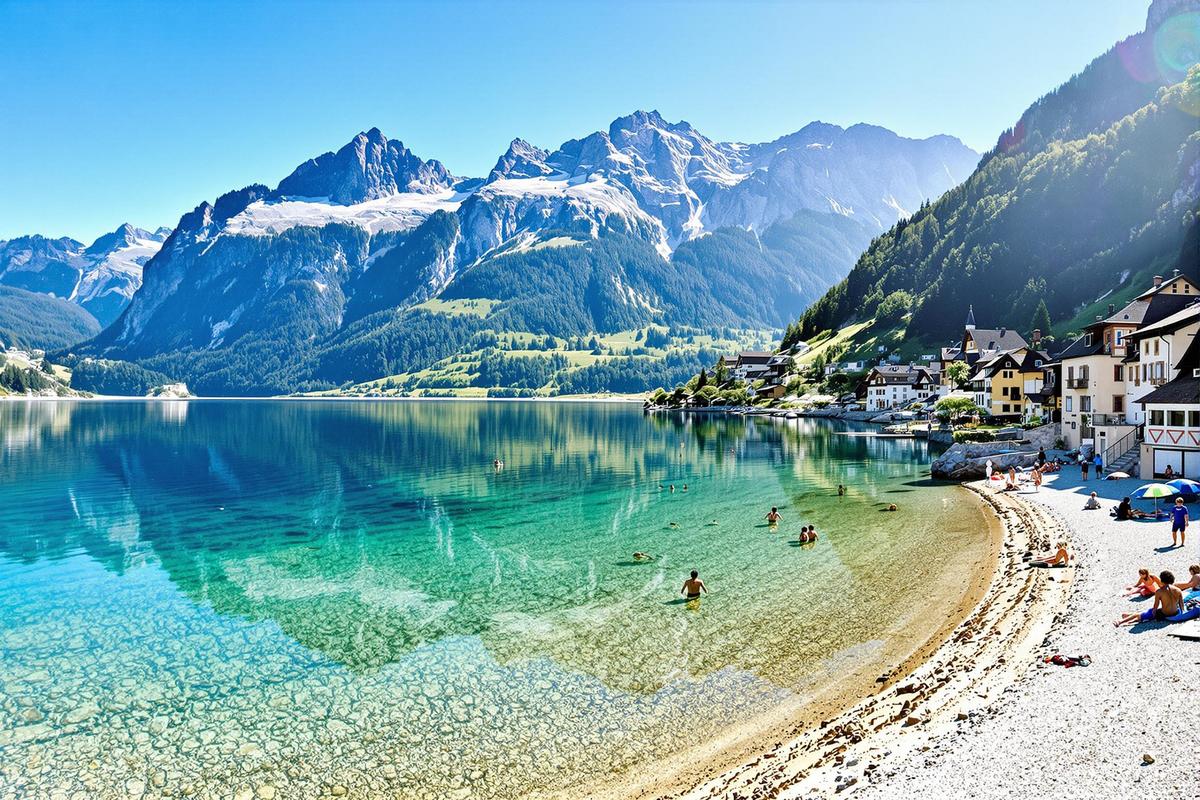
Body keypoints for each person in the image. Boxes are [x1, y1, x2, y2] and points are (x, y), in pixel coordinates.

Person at [1115, 571, 1184, 626]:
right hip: (1175, 612)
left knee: (1144, 614)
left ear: (1162, 580)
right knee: (1146, 613)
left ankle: (1120, 622)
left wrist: (1152, 613)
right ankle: (1129, 615)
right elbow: (1181, 604)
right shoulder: (1178, 590)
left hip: (1164, 613)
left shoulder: (1159, 591)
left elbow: (1156, 605)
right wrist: (1182, 613)